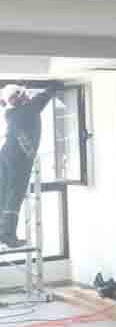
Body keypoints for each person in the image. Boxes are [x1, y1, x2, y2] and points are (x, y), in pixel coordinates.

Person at [0, 81, 63, 248]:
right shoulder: (26, 110)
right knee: (14, 195)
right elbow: (42, 98)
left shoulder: (11, 113)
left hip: (5, 155)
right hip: (18, 159)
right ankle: (7, 235)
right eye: (23, 95)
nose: (27, 96)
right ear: (18, 98)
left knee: (3, 194)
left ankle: (3, 232)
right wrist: (54, 86)